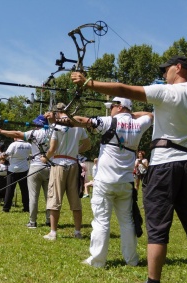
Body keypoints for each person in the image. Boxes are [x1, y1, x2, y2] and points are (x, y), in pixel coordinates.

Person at [71, 55, 187, 283]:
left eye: (166, 70)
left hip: (165, 165)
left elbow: (123, 89)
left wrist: (88, 82)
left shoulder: (166, 93)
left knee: (158, 227)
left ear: (178, 67)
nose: (164, 75)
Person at [55, 97, 153, 267]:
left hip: (105, 182)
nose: (111, 110)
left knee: (101, 221)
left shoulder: (109, 122)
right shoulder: (140, 124)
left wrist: (62, 118)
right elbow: (151, 115)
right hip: (126, 182)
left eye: (113, 107)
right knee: (127, 222)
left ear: (120, 107)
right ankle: (132, 260)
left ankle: (98, 261)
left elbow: (81, 121)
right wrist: (131, 115)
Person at [40, 102, 91, 240]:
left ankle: (53, 232)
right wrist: (76, 152)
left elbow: (52, 148)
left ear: (57, 112)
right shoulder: (78, 125)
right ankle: (77, 232)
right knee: (75, 200)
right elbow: (87, 144)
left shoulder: (56, 126)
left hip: (58, 164)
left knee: (55, 198)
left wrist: (44, 158)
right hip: (73, 164)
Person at [0, 115, 51, 227]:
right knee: (39, 194)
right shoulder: (50, 134)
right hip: (33, 168)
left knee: (12, 190)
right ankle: (45, 218)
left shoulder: (24, 139)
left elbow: (6, 155)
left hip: (17, 169)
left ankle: (10, 209)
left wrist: (1, 131)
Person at [0, 137, 32, 212]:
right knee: (24, 190)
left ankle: (6, 208)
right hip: (24, 169)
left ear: (16, 137)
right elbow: (32, 154)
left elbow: (6, 154)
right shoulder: (28, 145)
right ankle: (26, 207)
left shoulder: (13, 144)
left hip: (13, 170)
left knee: (10, 189)